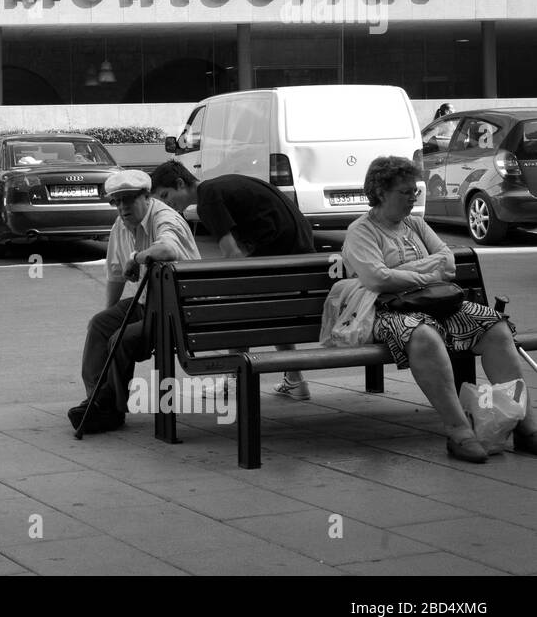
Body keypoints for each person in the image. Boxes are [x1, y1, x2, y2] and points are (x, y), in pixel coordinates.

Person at [343, 156, 537, 463]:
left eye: (414, 192)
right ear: (381, 192)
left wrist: (407, 272)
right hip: (388, 311)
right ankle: (459, 431)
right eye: (405, 192)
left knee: (495, 326)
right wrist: (425, 270)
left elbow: (447, 263)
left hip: (436, 303)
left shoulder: (416, 224)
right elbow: (377, 278)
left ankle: (525, 424)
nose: (413, 198)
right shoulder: (361, 231)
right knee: (424, 335)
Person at [150, 160, 317, 399]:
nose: (167, 204)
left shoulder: (207, 199)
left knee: (233, 302)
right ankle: (294, 379)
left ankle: (234, 379)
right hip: (303, 269)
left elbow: (232, 256)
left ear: (180, 183)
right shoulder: (227, 184)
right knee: (270, 306)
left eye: (166, 195)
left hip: (281, 267)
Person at [69, 169, 200, 434]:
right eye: (116, 202)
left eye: (127, 200)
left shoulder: (163, 217)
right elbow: (116, 275)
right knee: (100, 325)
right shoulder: (122, 223)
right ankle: (98, 401)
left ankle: (110, 410)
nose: (122, 207)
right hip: (150, 304)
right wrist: (110, 314)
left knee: (120, 338)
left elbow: (168, 249)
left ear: (146, 196)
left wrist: (138, 257)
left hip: (181, 310)